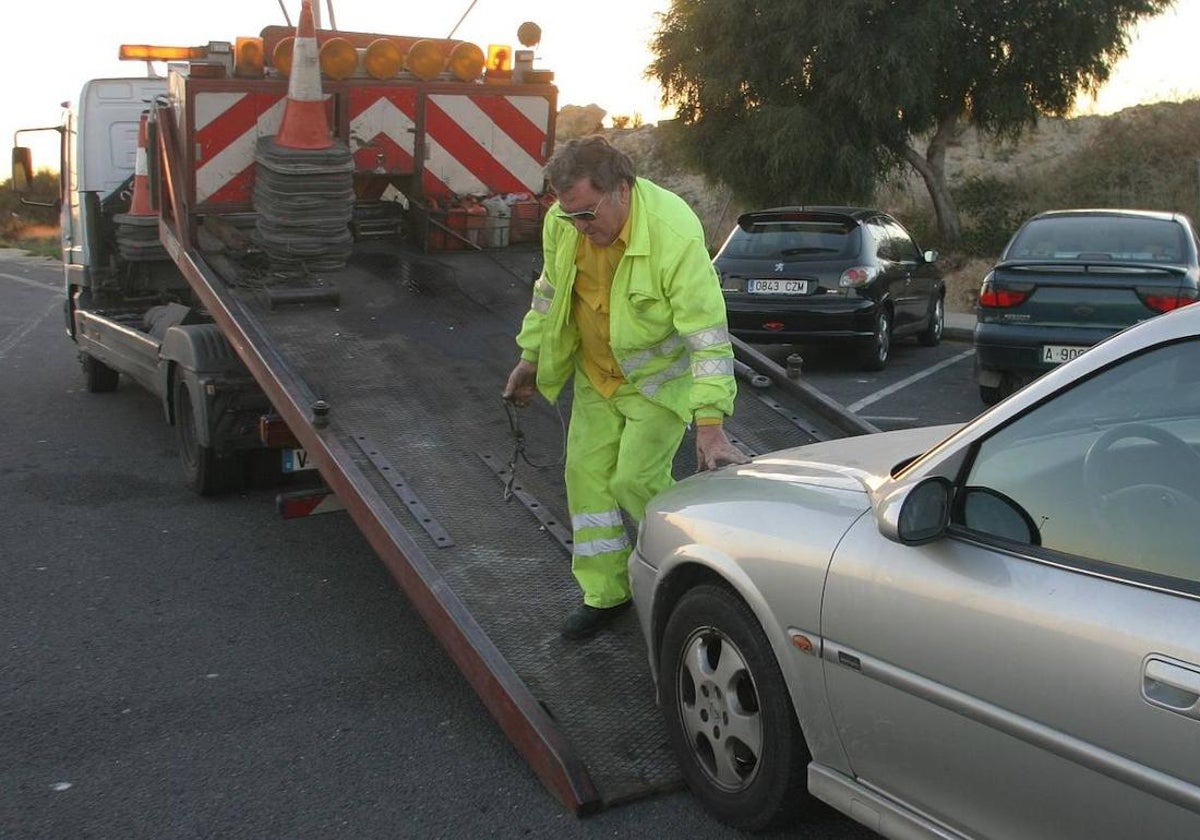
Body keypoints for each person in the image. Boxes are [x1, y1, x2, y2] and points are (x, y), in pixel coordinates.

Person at [502, 135, 749, 641]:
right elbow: (549, 295)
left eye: (587, 214)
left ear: (622, 190)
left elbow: (708, 336)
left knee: (634, 480)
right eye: (568, 215)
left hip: (657, 387)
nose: (577, 227)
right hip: (596, 377)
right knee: (586, 479)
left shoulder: (672, 233)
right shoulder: (565, 223)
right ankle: (606, 593)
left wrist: (710, 426)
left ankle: (700, 577)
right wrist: (530, 358)